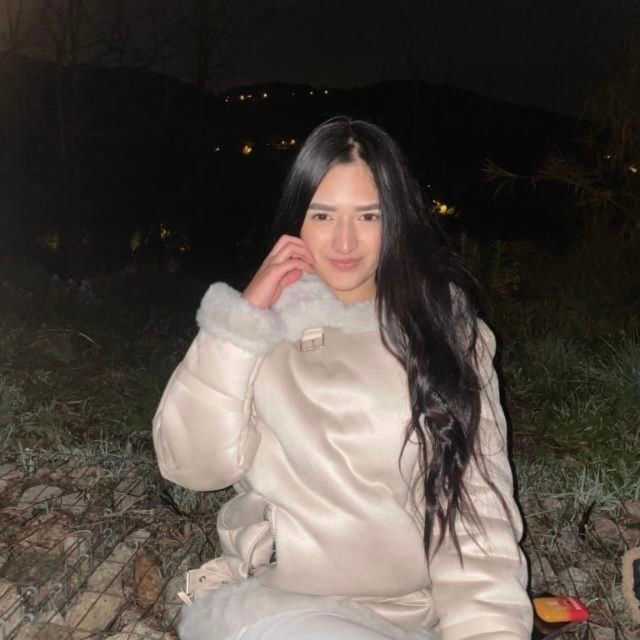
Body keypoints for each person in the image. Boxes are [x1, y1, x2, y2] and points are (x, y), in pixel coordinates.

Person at [152, 117, 533, 640]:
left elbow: (476, 514)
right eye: (324, 214)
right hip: (281, 603)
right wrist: (239, 323)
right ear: (298, 220)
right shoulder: (262, 327)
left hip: (405, 614)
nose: (345, 241)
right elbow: (191, 464)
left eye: (368, 215)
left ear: (395, 220)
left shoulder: (443, 332)